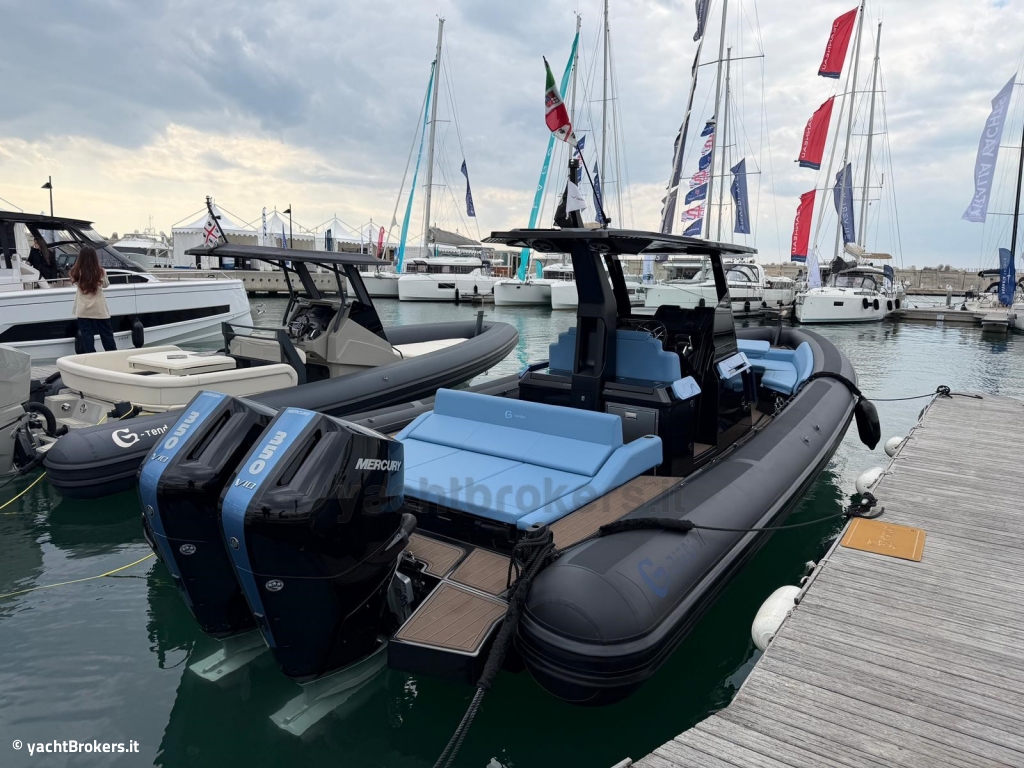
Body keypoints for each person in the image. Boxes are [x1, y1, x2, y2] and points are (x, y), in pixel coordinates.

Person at [70, 246, 117, 352]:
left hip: (83, 309)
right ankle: (112, 356)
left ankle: (91, 359)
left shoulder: (76, 272)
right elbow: (106, 285)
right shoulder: (101, 272)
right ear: (95, 258)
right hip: (99, 309)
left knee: (87, 339)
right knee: (107, 336)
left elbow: (75, 283)